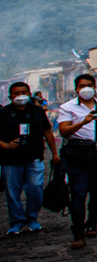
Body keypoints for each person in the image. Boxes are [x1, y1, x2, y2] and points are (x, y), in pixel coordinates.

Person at [58, 73, 97, 250]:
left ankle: (92, 222)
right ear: (77, 89)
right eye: (82, 86)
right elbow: (64, 131)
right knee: (78, 193)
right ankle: (78, 232)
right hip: (78, 157)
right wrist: (83, 122)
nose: (86, 89)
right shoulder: (67, 108)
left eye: (89, 85)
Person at [1, 82, 59, 234]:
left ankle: (32, 217)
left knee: (35, 188)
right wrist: (6, 145)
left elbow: (47, 132)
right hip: (10, 160)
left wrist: (54, 153)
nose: (20, 96)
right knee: (12, 192)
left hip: (34, 157)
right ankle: (17, 222)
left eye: (23, 92)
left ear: (29, 93)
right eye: (16, 93)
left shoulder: (38, 111)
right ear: (10, 96)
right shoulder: (3, 113)